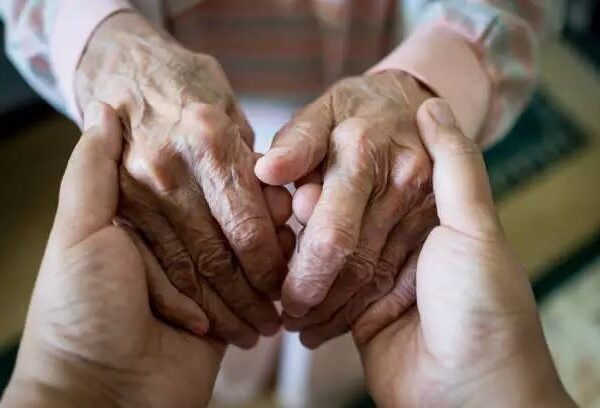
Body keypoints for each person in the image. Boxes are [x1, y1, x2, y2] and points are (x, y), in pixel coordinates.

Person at [0, 0, 565, 403]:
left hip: (393, 138)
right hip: (180, 146)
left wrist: (424, 84)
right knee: (206, 305)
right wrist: (108, 42)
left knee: (360, 307)